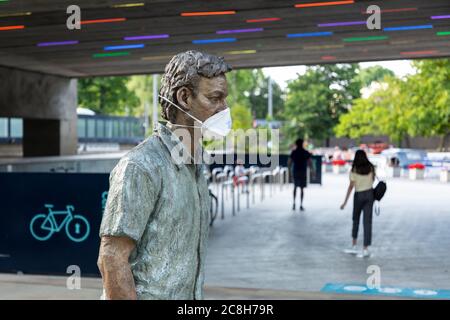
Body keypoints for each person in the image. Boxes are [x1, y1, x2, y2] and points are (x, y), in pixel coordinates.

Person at [97, 50, 232, 300]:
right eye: (215, 98)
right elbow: (111, 258)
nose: (224, 108)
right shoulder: (140, 166)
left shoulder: (197, 166)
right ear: (184, 97)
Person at [340, 150, 376, 258]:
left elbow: (351, 186)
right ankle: (365, 249)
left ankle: (354, 246)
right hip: (370, 195)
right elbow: (373, 180)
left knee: (356, 220)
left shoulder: (354, 169)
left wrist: (345, 202)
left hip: (358, 195)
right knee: (367, 222)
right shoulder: (371, 167)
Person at [288, 138, 312, 211]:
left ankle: (294, 203)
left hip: (295, 171)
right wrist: (312, 170)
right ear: (302, 144)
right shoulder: (305, 152)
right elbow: (309, 162)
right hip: (303, 171)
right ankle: (301, 204)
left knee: (295, 187)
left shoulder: (294, 152)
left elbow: (289, 162)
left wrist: (289, 171)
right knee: (302, 188)